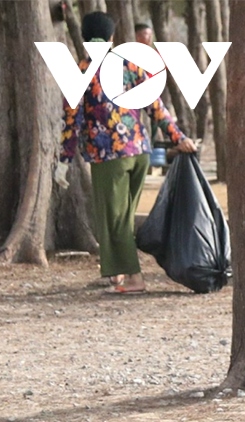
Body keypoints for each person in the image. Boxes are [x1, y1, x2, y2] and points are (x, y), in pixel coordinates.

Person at [58, 12, 196, 294]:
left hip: (109, 158)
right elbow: (156, 106)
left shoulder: (81, 72)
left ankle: (134, 278)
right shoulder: (130, 65)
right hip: (139, 153)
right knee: (124, 216)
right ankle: (117, 273)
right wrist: (177, 138)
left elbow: (72, 123)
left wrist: (63, 161)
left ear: (84, 39)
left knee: (115, 219)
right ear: (111, 38)